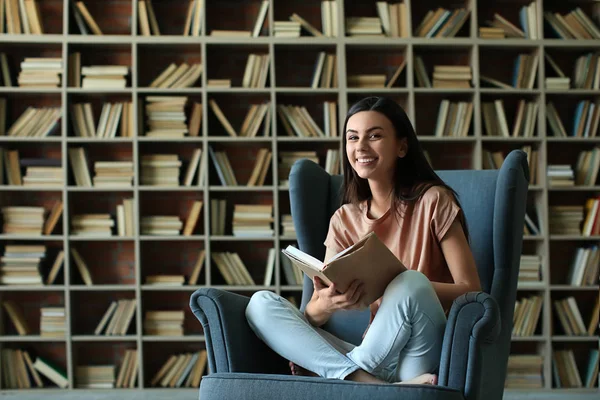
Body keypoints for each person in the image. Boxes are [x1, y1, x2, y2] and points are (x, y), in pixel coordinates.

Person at [245, 96, 481, 385]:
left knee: (410, 282)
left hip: (419, 347)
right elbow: (314, 313)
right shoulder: (343, 219)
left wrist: (394, 286)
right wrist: (328, 303)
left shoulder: (434, 201)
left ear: (402, 146)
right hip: (374, 354)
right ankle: (371, 385)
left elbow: (472, 290)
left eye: (375, 136)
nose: (361, 147)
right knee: (260, 304)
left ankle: (347, 380)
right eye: (353, 138)